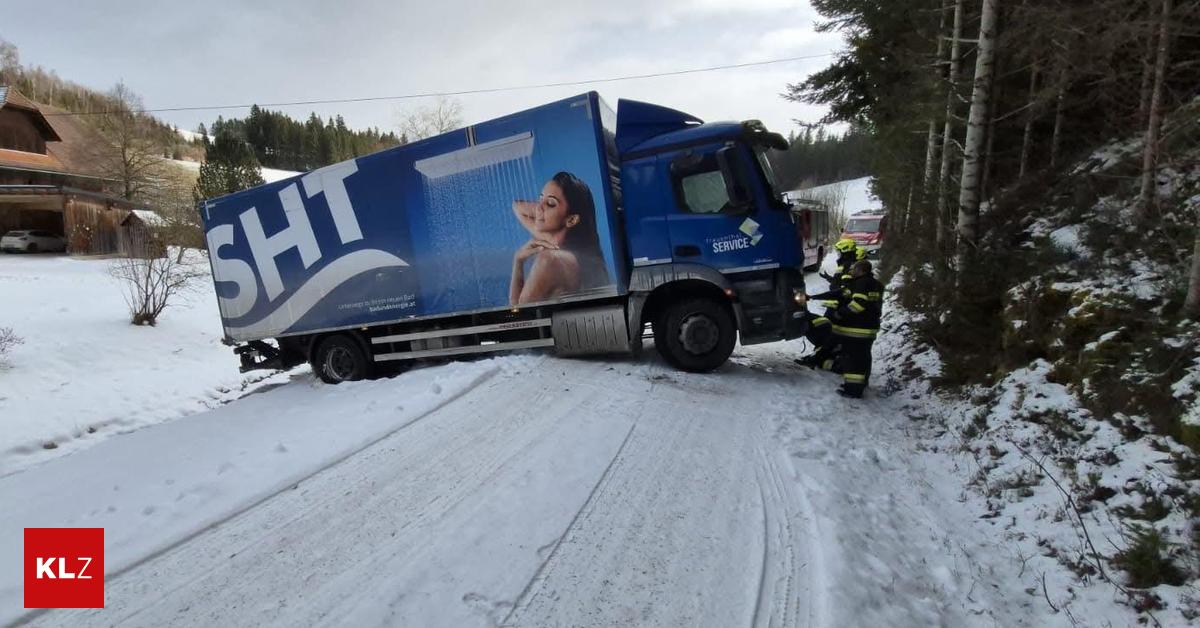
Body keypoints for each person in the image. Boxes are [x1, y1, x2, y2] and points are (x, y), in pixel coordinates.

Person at [510, 172, 609, 305]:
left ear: (572, 219)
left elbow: (520, 313)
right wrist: (518, 259)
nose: (538, 208)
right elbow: (518, 206)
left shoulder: (550, 259)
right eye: (540, 199)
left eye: (550, 203)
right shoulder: (573, 254)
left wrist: (518, 262)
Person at [795, 238, 859, 367]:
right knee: (827, 333)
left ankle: (819, 359)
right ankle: (819, 356)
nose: (838, 254)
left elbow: (843, 290)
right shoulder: (848, 265)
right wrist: (829, 279)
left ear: (845, 251)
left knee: (826, 333)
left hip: (838, 309)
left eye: (839, 251)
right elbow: (839, 285)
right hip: (836, 308)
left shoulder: (848, 266)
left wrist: (814, 297)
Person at [828, 259, 884, 398]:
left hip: (858, 329)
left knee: (853, 359)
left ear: (862, 271)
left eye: (854, 269)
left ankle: (853, 390)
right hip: (870, 328)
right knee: (864, 357)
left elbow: (858, 305)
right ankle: (860, 384)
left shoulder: (861, 283)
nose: (852, 271)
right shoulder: (876, 284)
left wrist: (840, 313)